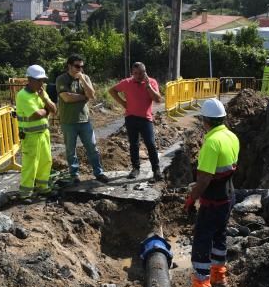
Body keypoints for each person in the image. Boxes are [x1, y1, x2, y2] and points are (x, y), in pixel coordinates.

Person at [184, 98, 239, 287]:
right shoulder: (232, 136)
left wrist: (192, 199)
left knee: (202, 240)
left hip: (213, 200)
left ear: (205, 120)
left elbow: (205, 178)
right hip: (228, 196)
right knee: (220, 236)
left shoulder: (211, 142)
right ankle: (219, 276)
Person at [55, 55, 109, 184]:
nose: (80, 69)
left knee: (92, 147)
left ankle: (99, 173)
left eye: (82, 66)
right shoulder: (61, 79)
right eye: (77, 66)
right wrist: (83, 97)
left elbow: (92, 95)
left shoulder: (85, 78)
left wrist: (83, 81)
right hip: (68, 121)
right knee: (70, 150)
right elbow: (66, 98)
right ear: (69, 65)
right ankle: (74, 175)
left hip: (85, 120)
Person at [109, 62, 163, 181]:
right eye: (136, 73)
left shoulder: (152, 82)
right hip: (131, 118)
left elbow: (158, 99)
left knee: (151, 144)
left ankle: (156, 170)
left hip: (146, 119)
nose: (138, 76)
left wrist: (148, 86)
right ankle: (135, 168)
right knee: (133, 144)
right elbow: (112, 91)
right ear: (132, 73)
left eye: (141, 73)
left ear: (145, 71)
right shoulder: (127, 82)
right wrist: (123, 103)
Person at [15, 64, 57, 200]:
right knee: (30, 164)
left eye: (42, 80)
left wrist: (45, 100)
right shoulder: (23, 95)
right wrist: (47, 110)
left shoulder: (41, 92)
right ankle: (25, 193)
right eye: (38, 80)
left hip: (43, 133)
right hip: (30, 136)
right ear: (29, 79)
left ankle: (42, 187)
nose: (41, 83)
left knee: (46, 161)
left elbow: (54, 109)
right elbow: (37, 114)